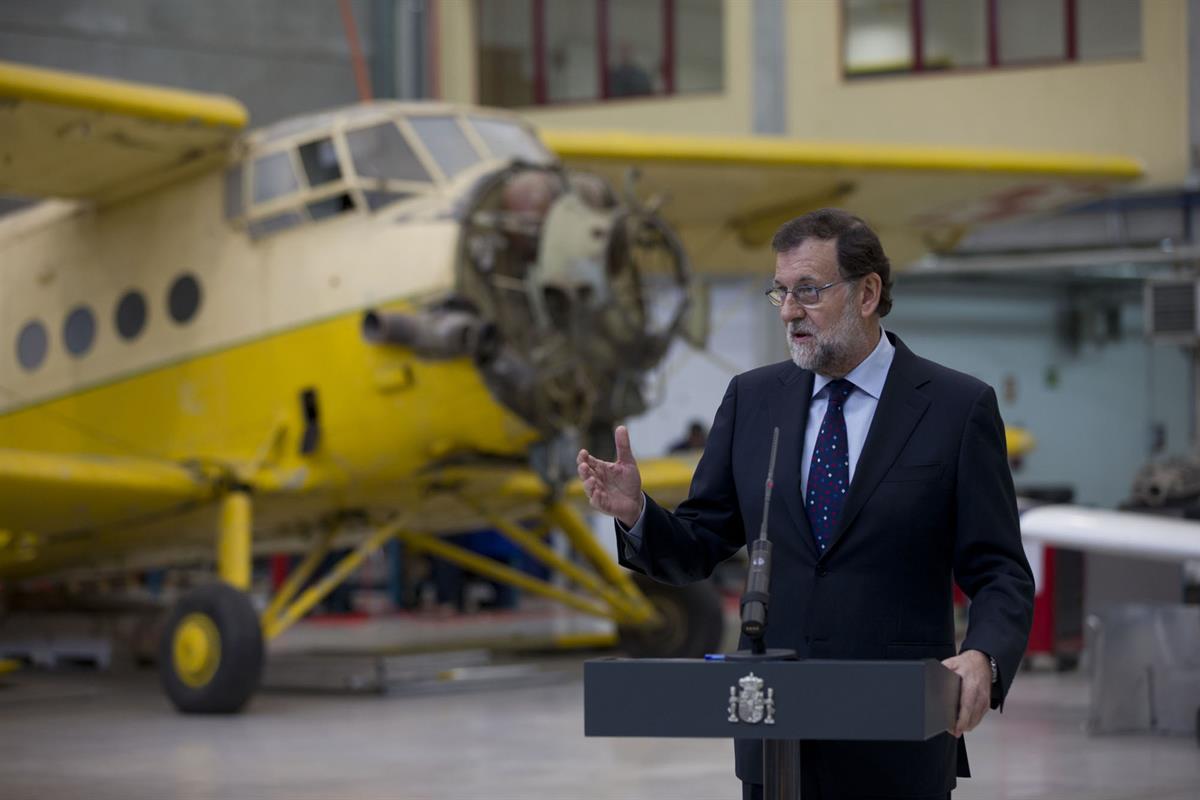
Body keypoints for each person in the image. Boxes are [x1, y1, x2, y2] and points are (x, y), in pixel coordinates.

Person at [577, 209, 1034, 799]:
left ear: (867, 292)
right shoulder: (753, 399)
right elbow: (701, 542)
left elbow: (999, 570)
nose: (790, 311)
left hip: (899, 743)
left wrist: (983, 657)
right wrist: (638, 513)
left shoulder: (955, 406)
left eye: (809, 291)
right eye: (781, 292)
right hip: (774, 737)